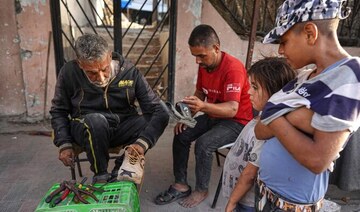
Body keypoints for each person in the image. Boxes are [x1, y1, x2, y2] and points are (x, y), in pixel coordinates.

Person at [253, 0, 360, 211]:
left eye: (284, 41)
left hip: (292, 205)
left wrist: (277, 112)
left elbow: (316, 159)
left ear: (310, 33)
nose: (281, 51)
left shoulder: (350, 76)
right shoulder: (304, 75)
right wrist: (299, 116)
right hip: (265, 191)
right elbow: (259, 129)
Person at [155, 24, 253, 208]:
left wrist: (203, 106)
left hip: (237, 121)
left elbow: (232, 109)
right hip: (213, 114)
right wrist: (187, 116)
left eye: (201, 55)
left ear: (216, 48)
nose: (197, 61)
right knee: (181, 133)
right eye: (195, 56)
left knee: (204, 144)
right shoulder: (204, 66)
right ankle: (181, 184)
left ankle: (201, 189)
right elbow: (200, 93)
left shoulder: (233, 69)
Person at [50, 33, 169, 184]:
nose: (101, 78)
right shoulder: (68, 73)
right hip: (87, 127)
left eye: (104, 69)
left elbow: (154, 108)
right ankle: (101, 175)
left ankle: (120, 167)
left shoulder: (129, 71)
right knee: (95, 121)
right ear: (80, 64)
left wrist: (141, 143)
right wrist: (64, 143)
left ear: (110, 56)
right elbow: (58, 110)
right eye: (92, 73)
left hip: (121, 126)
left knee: (162, 112)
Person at [223, 57, 297, 212]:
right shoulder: (263, 116)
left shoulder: (269, 131)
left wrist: (232, 202)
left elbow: (250, 174)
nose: (249, 91)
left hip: (246, 200)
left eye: (255, 87)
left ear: (275, 92)